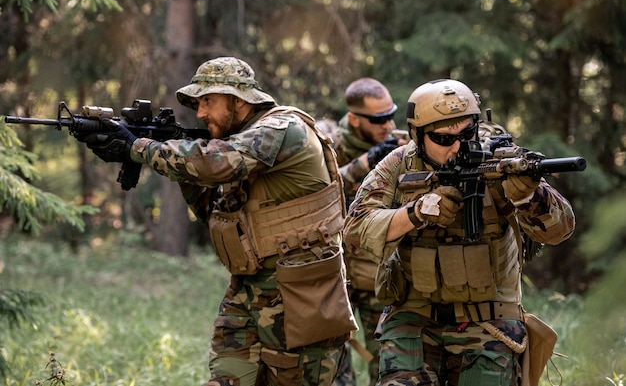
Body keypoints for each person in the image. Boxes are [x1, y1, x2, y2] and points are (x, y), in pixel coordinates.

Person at [76, 56, 358, 386]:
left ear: (238, 100)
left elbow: (216, 162)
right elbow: (215, 213)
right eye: (198, 104)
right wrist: (173, 161)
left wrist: (138, 147)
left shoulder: (282, 129)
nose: (201, 113)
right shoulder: (241, 142)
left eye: (208, 101)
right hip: (249, 288)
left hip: (302, 293)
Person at [342, 78, 576, 386]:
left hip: (489, 320)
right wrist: (415, 213)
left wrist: (529, 198)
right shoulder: (398, 165)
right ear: (417, 135)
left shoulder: (501, 159)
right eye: (442, 138)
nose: (458, 145)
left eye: (467, 133)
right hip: (414, 316)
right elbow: (354, 232)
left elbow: (561, 229)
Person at [317, 78, 405, 386]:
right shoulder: (326, 142)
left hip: (375, 275)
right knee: (327, 370)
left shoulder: (399, 145)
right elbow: (320, 190)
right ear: (354, 118)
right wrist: (367, 161)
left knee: (388, 366)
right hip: (331, 276)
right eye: (378, 119)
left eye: (390, 115)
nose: (388, 124)